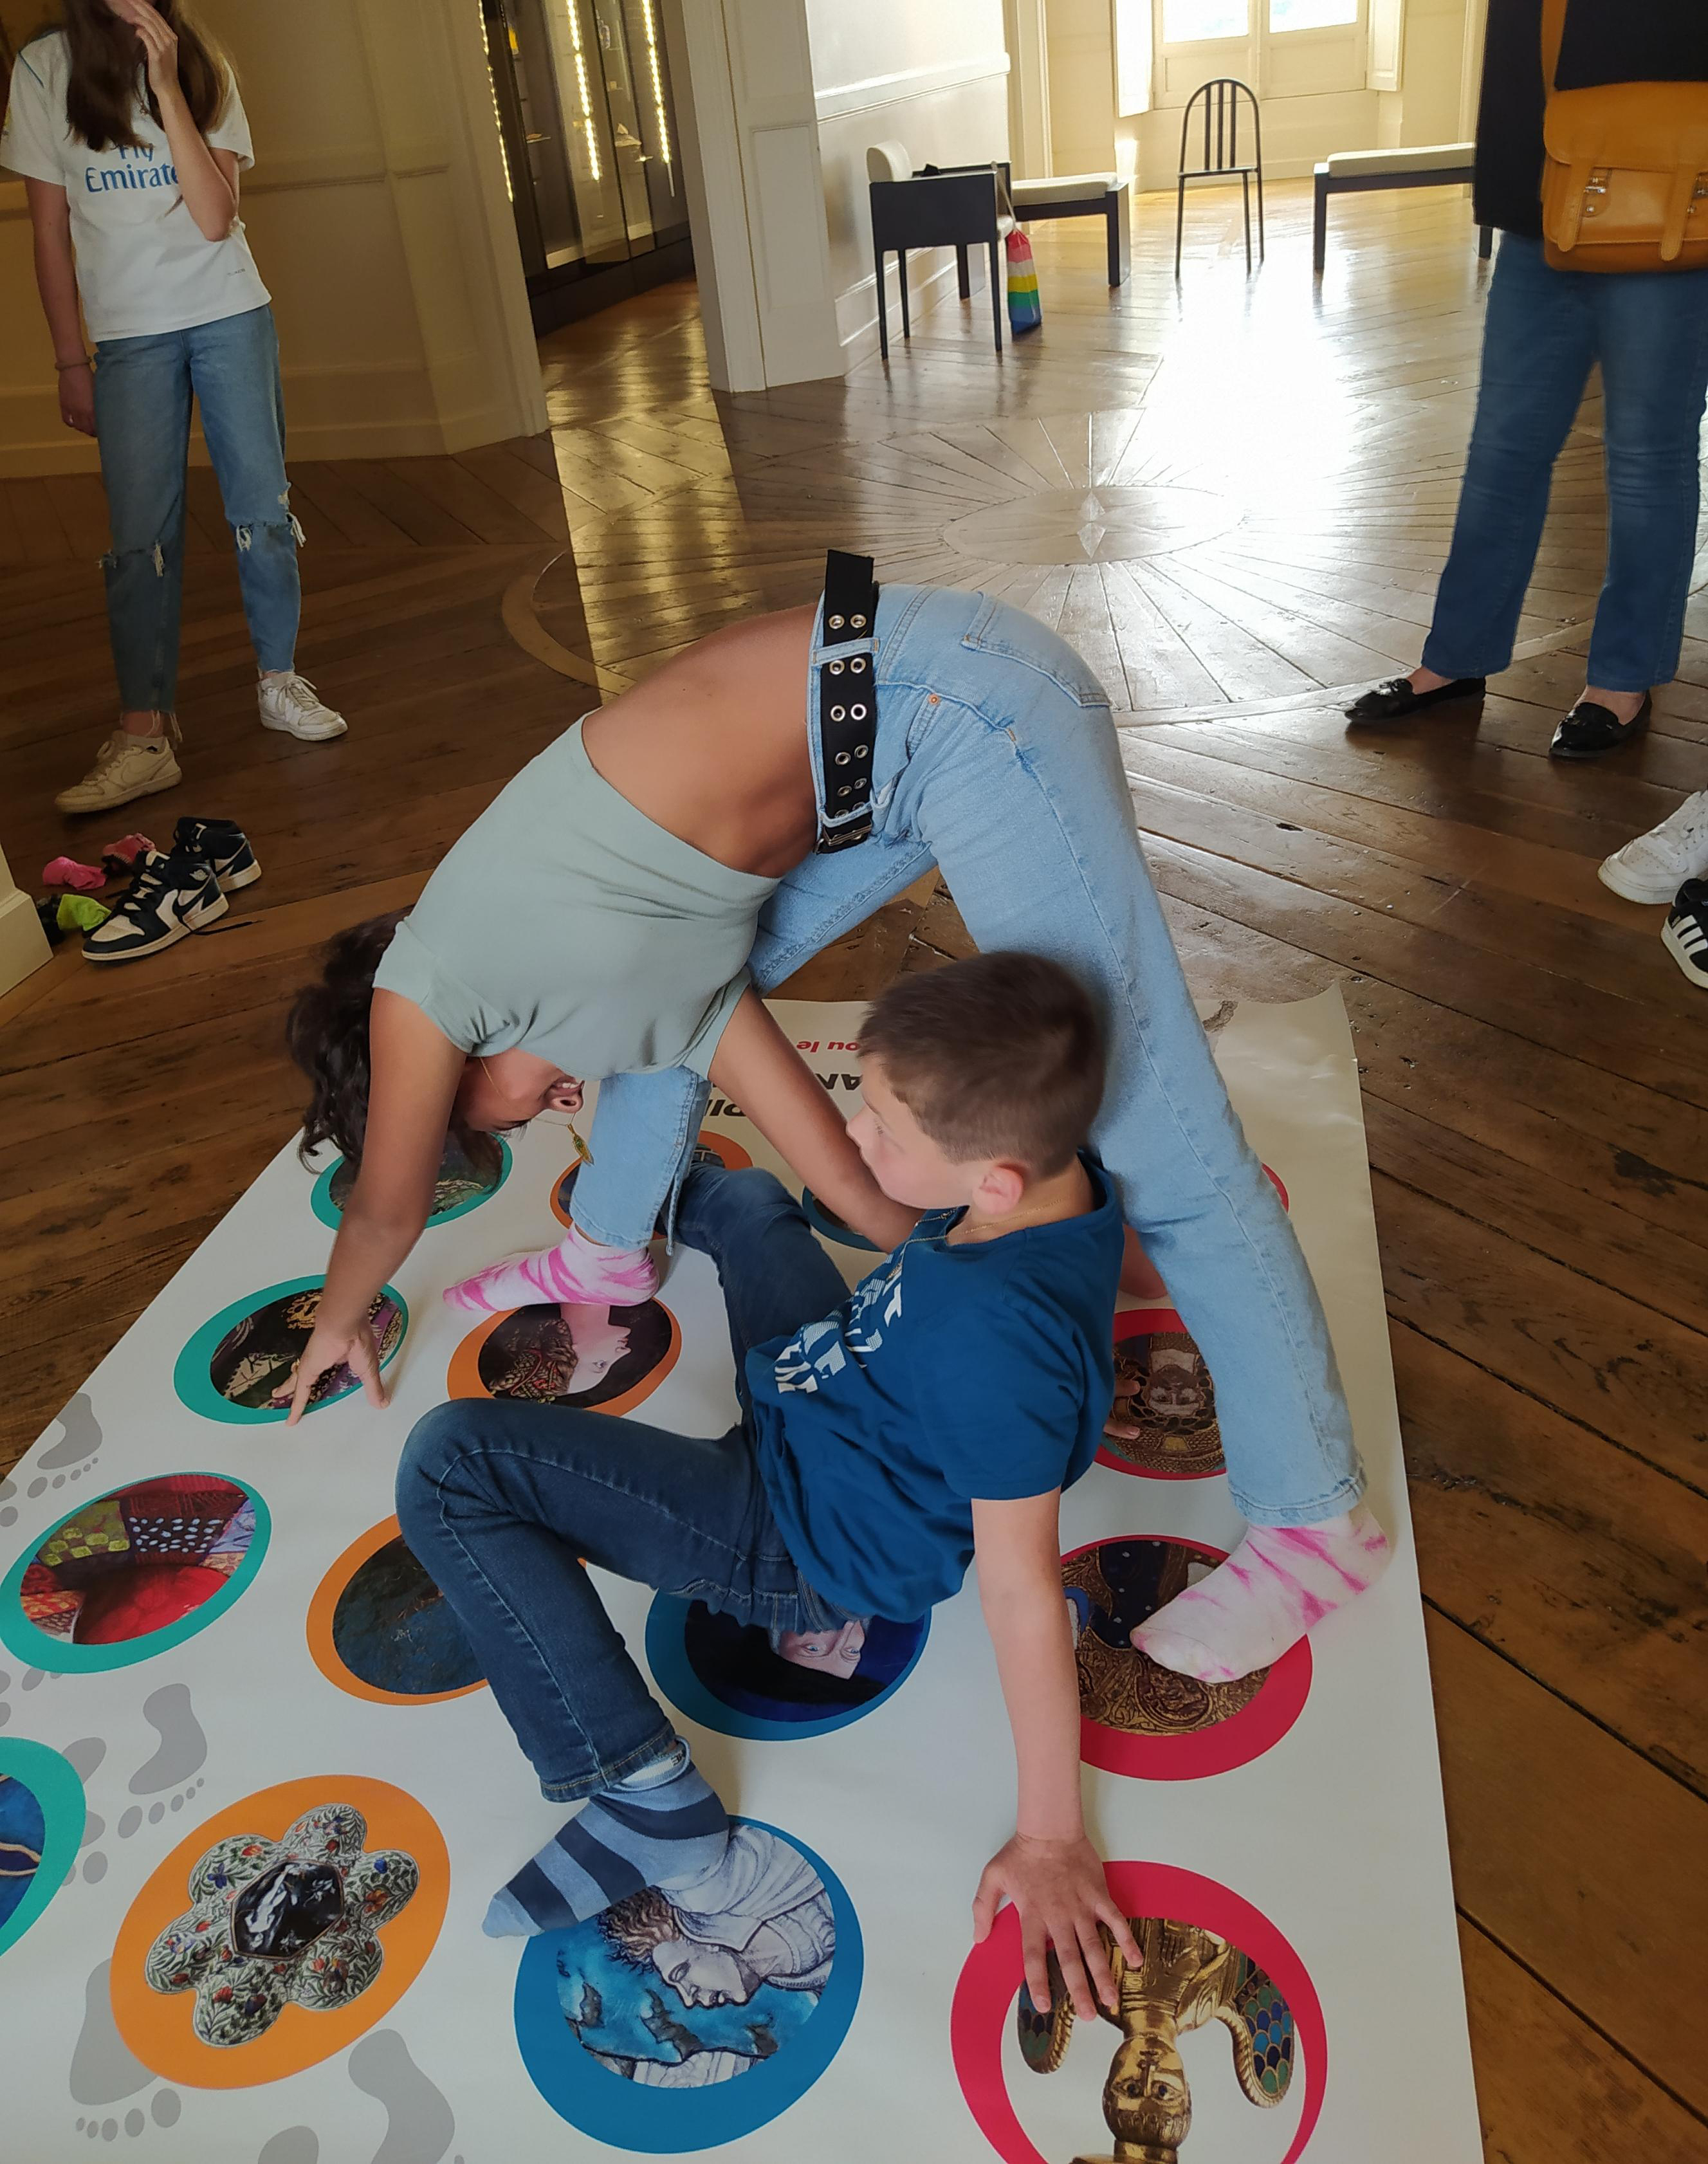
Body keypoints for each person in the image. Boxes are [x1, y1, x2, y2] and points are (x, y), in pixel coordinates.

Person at [289, 568, 1385, 1683]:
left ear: (432, 1073)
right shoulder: (633, 957)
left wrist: (338, 1319)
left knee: (1164, 1141)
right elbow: (837, 1170)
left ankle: (1314, 1522)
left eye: (484, 1119)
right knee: (653, 1063)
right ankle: (609, 1248)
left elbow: (386, 1205)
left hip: (956, 710)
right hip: (888, 740)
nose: (537, 1113)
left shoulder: (427, 978)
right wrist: (963, 1274)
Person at [398, 955, 1154, 2019]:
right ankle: (612, 1211)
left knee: (450, 1464)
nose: (855, 1138)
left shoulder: (1001, 1350)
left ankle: (645, 1792)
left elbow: (1022, 1590)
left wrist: (1050, 1835)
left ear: (993, 1182)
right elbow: (1021, 1318)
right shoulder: (1057, 1190)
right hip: (819, 1390)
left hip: (797, 1534)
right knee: (750, 1197)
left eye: (887, 1132)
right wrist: (1058, 1402)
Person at [1, 0, 347, 820]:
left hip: (230, 313)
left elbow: (216, 217)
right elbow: (47, 233)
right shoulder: (43, 69)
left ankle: (279, 679)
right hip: (127, 336)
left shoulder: (201, 62)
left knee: (262, 510)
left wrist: (166, 84)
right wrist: (69, 360)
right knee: (138, 539)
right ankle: (145, 731)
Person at [1345, 0, 1708, 760]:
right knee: (1501, 451)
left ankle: (1623, 679)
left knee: (1647, 459)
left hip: (1673, 202)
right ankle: (1457, 657)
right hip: (1538, 200)